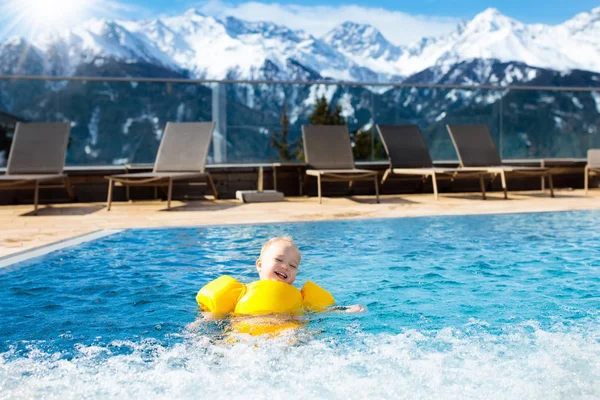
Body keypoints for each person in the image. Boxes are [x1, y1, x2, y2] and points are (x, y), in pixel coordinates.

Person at [195, 236, 365, 335]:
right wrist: (200, 324)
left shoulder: (300, 297)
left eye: (293, 266)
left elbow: (321, 311)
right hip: (246, 336)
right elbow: (215, 314)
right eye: (278, 260)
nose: (285, 266)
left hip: (289, 336)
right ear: (260, 265)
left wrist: (345, 310)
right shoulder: (240, 293)